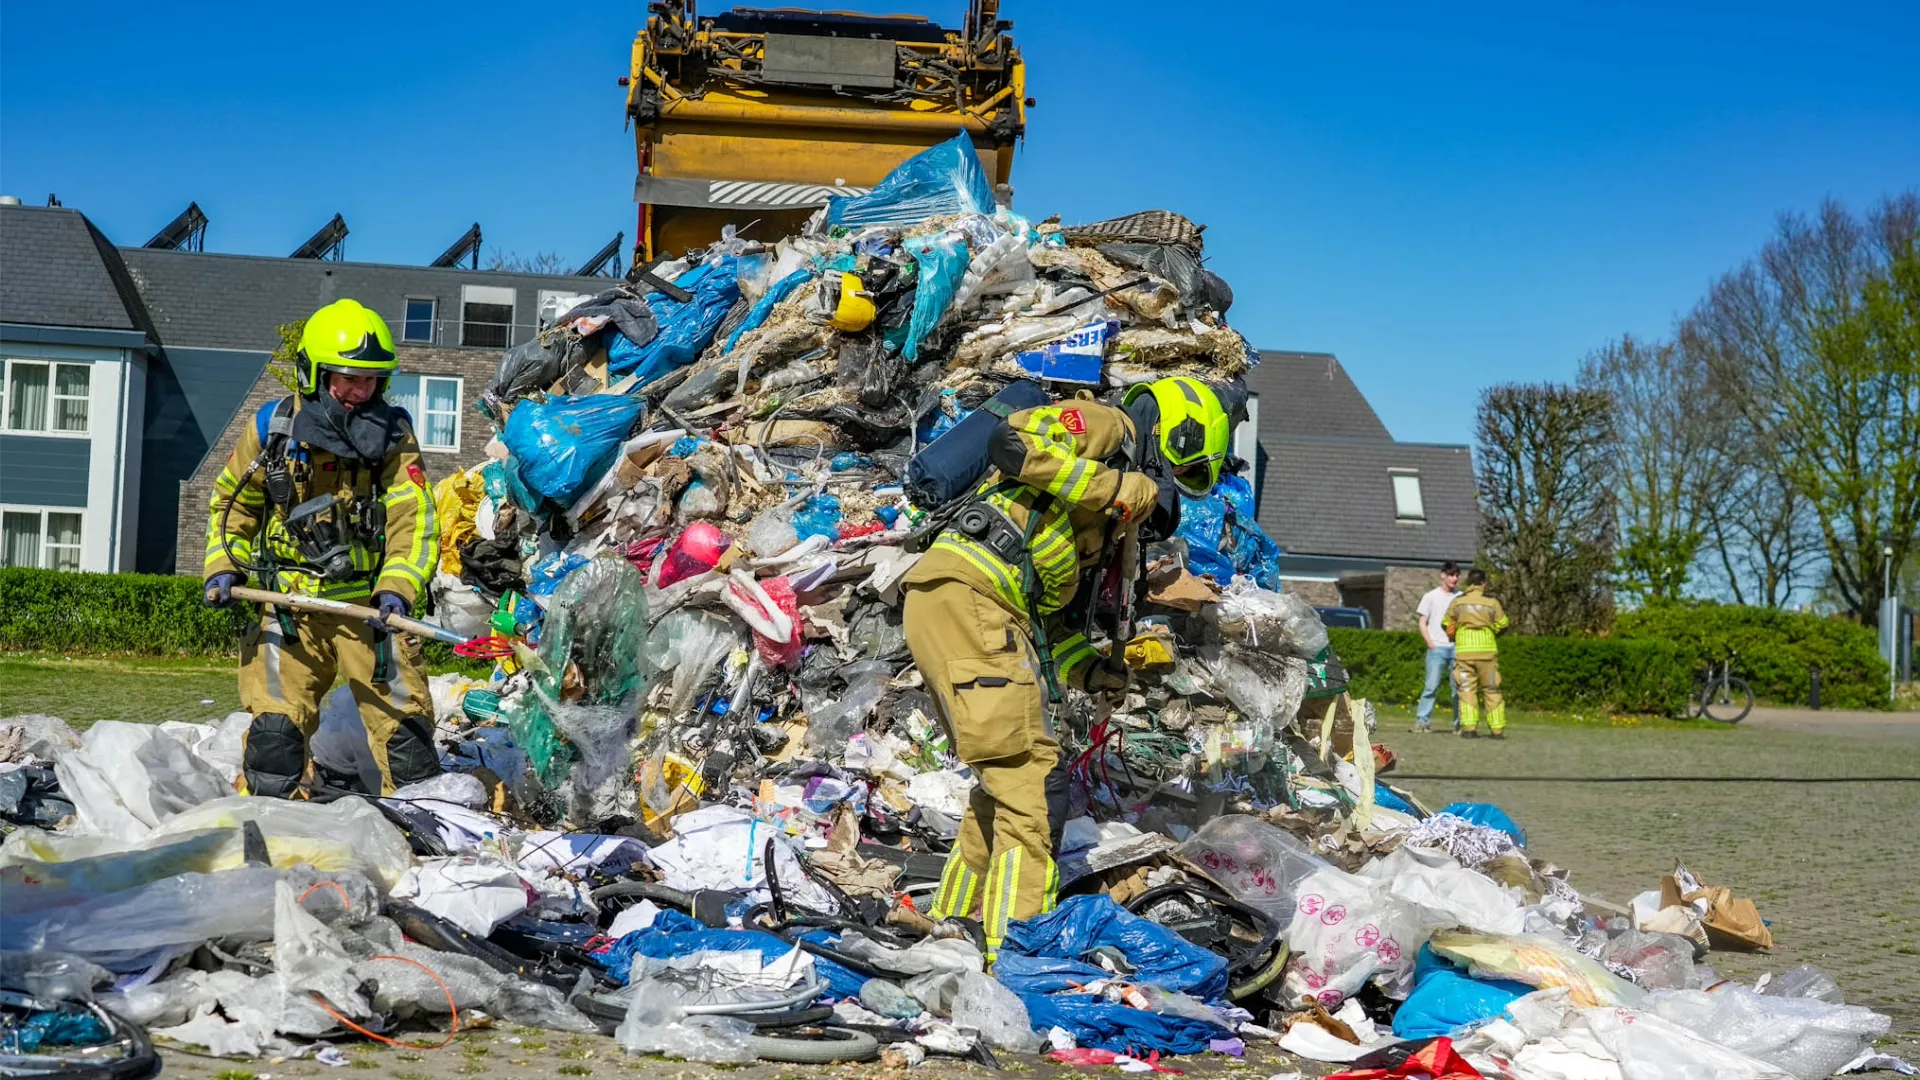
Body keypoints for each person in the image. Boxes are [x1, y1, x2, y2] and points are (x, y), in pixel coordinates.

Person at [901, 376, 1239, 963]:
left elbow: (1051, 623)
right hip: (969, 598)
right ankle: (1014, 956)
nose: (1162, 495)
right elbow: (1014, 444)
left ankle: (949, 925)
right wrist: (1117, 488)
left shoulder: (1087, 521)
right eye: (1176, 479)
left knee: (1003, 782)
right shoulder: (1108, 426)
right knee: (1034, 785)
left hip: (966, 607)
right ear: (1183, 433)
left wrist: (1094, 670)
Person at [202, 299, 443, 797]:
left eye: (371, 380)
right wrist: (224, 565)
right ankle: (273, 833)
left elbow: (412, 518)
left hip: (371, 615)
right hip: (287, 610)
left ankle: (422, 837)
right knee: (276, 737)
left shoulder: (394, 435)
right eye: (347, 378)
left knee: (407, 738)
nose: (360, 391)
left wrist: (397, 588)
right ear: (313, 372)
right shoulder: (272, 429)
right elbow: (232, 504)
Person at [1444, 568, 1510, 739]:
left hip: (1464, 652)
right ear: (1483, 583)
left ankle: (1469, 729)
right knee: (1492, 689)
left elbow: (1446, 623)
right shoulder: (1492, 602)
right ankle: (1496, 730)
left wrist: (1455, 634)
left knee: (1466, 690)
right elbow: (1503, 624)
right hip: (1487, 651)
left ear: (1468, 584)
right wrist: (1492, 631)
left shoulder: (1457, 602)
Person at [1414, 561, 1463, 733]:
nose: (1455, 579)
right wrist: (1431, 644)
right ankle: (1422, 721)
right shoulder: (1431, 596)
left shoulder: (1461, 598)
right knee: (1431, 687)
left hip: (1457, 649)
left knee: (1458, 689)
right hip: (1437, 649)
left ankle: (1460, 724)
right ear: (1443, 575)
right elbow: (1422, 622)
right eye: (1451, 575)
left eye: (1457, 575)